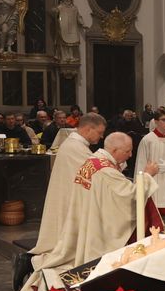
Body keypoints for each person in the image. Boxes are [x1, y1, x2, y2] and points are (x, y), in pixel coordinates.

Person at [21, 132, 160, 291]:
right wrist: (147, 175)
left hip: (87, 214)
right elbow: (131, 195)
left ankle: (28, 262)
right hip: (96, 223)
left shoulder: (94, 160)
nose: (131, 155)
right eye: (128, 151)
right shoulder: (106, 171)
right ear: (115, 150)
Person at [23, 113, 106, 279]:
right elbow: (95, 172)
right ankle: (27, 262)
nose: (101, 136)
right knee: (63, 248)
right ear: (89, 129)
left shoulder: (75, 144)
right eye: (100, 132)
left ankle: (27, 261)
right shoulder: (75, 147)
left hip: (70, 195)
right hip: (70, 199)